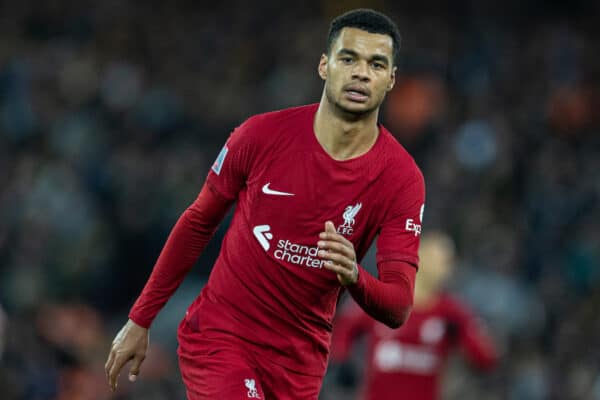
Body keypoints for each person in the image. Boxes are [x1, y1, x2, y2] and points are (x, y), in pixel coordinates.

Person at [105, 8, 425, 399]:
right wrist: (140, 319)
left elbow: (398, 305)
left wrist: (355, 276)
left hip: (298, 365)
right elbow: (198, 222)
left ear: (391, 79)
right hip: (222, 336)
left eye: (376, 64)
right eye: (348, 58)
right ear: (324, 65)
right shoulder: (260, 135)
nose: (361, 72)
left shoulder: (401, 179)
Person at [330, 231, 498, 400]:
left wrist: (473, 337)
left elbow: (484, 357)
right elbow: (342, 331)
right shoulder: (383, 299)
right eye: (441, 260)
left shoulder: (453, 312)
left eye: (449, 262)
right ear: (420, 257)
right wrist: (344, 365)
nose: (447, 268)